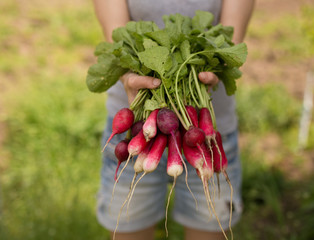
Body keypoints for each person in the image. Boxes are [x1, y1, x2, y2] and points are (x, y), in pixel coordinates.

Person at [92, 0, 255, 239]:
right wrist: (127, 73)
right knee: (127, 227)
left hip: (204, 136)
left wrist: (220, 63)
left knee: (212, 228)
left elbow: (231, 31)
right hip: (135, 131)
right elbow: (115, 25)